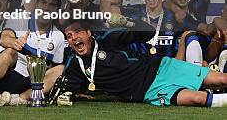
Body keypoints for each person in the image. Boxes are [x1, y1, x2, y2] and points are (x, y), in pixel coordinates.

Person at [62, 19, 227, 107]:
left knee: (221, 80)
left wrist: (127, 22)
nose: (74, 38)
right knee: (198, 99)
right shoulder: (74, 64)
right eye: (69, 36)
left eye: (78, 32)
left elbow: (148, 33)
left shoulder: (108, 38)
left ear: (89, 33)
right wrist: (71, 94)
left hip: (163, 68)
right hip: (151, 92)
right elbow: (70, 88)